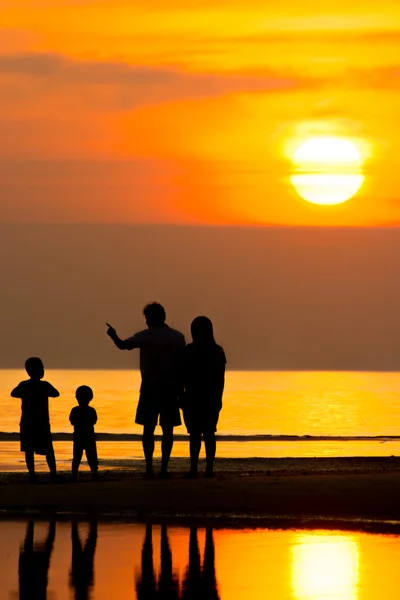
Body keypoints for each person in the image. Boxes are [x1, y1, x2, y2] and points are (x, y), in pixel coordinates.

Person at [106, 302, 185, 478]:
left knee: (148, 429)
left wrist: (113, 335)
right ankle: (164, 468)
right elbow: (182, 365)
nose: (146, 322)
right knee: (168, 430)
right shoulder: (178, 337)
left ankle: (149, 467)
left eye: (146, 318)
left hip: (150, 387)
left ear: (150, 318)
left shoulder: (146, 336)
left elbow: (123, 345)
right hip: (172, 388)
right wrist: (182, 390)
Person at [181, 317, 226, 478]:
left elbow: (182, 375)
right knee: (208, 433)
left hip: (194, 396)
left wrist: (181, 396)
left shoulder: (189, 350)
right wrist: (219, 397)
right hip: (209, 396)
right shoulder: (217, 351)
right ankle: (208, 469)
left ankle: (195, 469)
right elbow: (220, 379)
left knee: (196, 434)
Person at [11, 357, 59, 483]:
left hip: (27, 422)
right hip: (41, 422)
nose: (43, 370)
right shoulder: (44, 385)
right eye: (41, 368)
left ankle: (32, 475)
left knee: (29, 450)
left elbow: (14, 393)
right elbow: (56, 393)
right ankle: (53, 474)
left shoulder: (24, 385)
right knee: (48, 449)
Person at [18, 520, 56, 600]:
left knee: (30, 544)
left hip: (32, 573)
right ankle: (52, 520)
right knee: (45, 545)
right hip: (35, 574)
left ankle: (50, 520)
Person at [69, 385, 98, 481]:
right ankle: (94, 473)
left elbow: (72, 421)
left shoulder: (74, 410)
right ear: (91, 398)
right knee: (92, 455)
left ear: (77, 397)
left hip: (78, 436)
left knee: (76, 457)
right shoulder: (91, 410)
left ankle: (74, 475)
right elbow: (94, 421)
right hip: (89, 435)